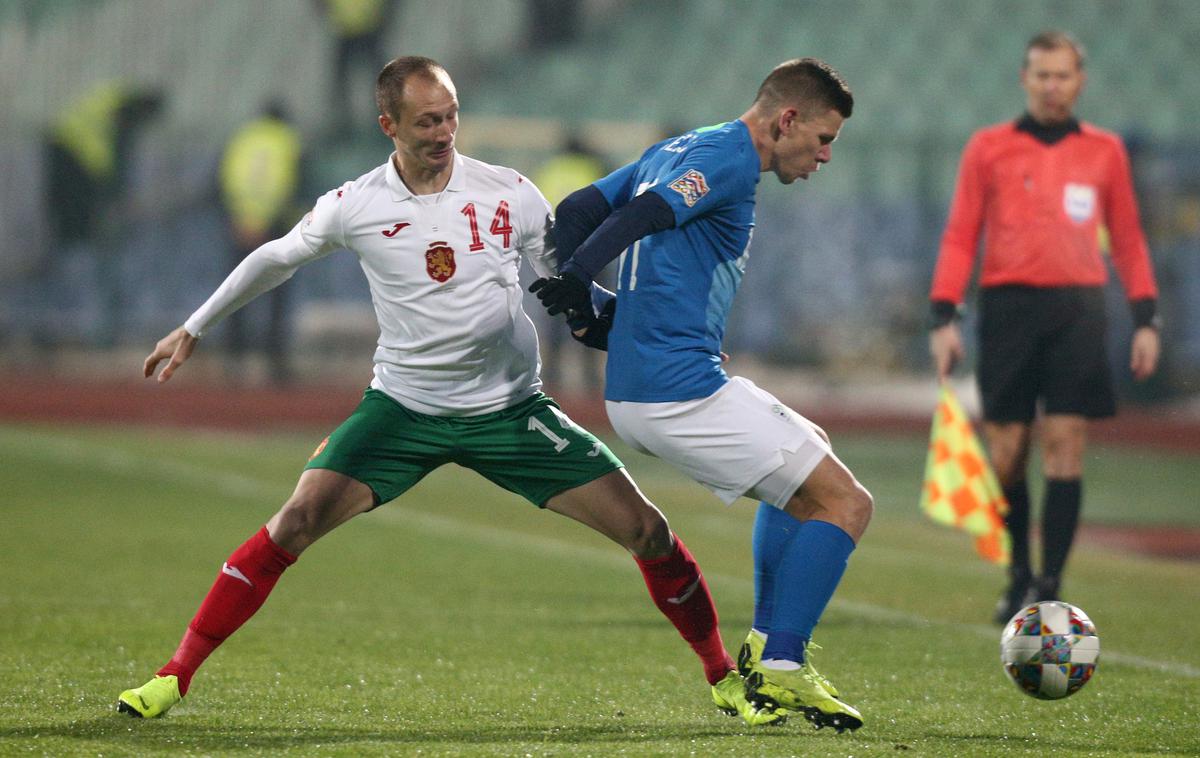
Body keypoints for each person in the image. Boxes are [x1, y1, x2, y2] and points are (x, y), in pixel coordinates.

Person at [115, 56, 777, 726]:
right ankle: (174, 675)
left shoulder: (510, 192)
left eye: (451, 114)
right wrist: (195, 326)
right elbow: (276, 257)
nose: (444, 130)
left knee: (648, 530)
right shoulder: (358, 205)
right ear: (388, 125)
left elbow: (566, 286)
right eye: (427, 120)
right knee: (295, 521)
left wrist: (658, 334)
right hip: (403, 410)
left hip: (511, 413)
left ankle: (722, 677)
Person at [531, 58, 869, 732]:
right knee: (847, 504)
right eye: (824, 137)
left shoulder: (681, 145)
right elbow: (654, 213)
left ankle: (767, 648)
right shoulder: (730, 158)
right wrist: (577, 277)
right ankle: (782, 665)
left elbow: (577, 208)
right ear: (788, 119)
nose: (826, 154)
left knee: (811, 458)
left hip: (654, 387)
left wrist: (578, 304)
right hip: (674, 392)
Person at [927, 31, 1161, 624]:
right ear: (1024, 79)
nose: (1053, 86)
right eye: (1042, 75)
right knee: (1007, 452)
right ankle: (1018, 572)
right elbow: (961, 235)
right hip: (1008, 310)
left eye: (1063, 75)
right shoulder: (989, 148)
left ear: (1079, 81)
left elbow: (1129, 240)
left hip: (1079, 311)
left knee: (1066, 445)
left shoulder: (1105, 151)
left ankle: (1050, 583)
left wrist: (1145, 318)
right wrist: (943, 314)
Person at [41, 81, 164, 346]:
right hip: (75, 165)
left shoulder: (110, 99)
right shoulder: (122, 114)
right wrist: (116, 193)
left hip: (68, 157)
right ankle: (81, 324)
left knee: (74, 239)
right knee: (80, 243)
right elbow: (119, 156)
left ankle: (71, 322)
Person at [218, 102, 304, 383]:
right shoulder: (288, 141)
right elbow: (292, 183)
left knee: (237, 293)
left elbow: (227, 178)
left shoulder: (242, 138)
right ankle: (275, 362)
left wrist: (240, 217)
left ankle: (233, 360)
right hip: (276, 226)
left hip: (241, 222)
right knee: (277, 296)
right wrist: (271, 221)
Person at [531, 131, 609, 392]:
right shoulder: (594, 168)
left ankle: (552, 375)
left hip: (557, 255)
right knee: (592, 312)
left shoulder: (551, 169)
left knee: (555, 314)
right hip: (592, 255)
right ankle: (590, 378)